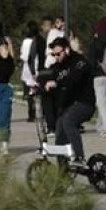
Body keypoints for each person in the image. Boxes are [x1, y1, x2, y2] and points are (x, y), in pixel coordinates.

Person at [43, 37, 95, 165]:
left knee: (68, 120)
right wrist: (38, 87)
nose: (56, 57)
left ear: (66, 50)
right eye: (54, 54)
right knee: (59, 131)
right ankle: (63, 169)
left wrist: (57, 83)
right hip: (68, 106)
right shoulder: (57, 67)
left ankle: (79, 156)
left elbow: (74, 79)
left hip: (84, 103)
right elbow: (48, 78)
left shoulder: (80, 62)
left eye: (58, 54)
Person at [20, 20, 44, 122]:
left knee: (30, 92)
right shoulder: (41, 40)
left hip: (28, 67)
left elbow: (23, 55)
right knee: (39, 90)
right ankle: (42, 113)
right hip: (38, 66)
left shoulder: (26, 41)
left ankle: (31, 113)